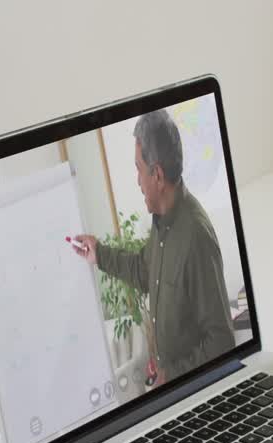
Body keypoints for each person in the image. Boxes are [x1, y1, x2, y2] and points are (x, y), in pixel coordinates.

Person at [71, 109, 235, 384]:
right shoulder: (161, 224)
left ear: (157, 175)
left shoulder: (196, 237)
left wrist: (171, 375)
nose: (137, 179)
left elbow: (222, 341)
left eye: (138, 168)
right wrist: (99, 254)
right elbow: (144, 271)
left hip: (192, 396)